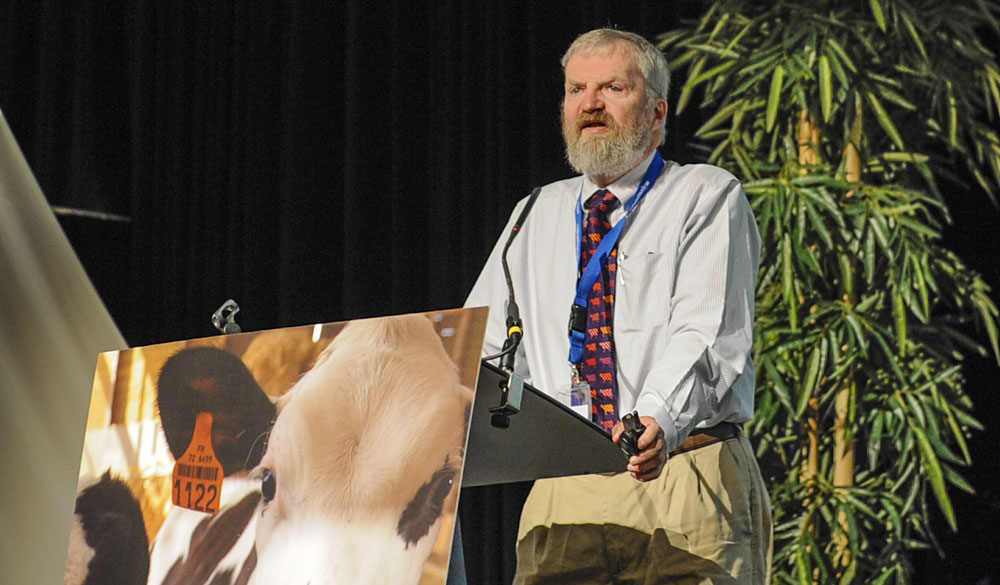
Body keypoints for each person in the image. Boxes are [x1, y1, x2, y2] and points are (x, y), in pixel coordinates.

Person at [465, 28, 772, 584]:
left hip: (683, 473)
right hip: (564, 485)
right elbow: (482, 351)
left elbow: (705, 335)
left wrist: (658, 418)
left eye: (612, 87)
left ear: (657, 112)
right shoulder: (533, 213)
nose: (590, 103)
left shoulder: (705, 195)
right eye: (576, 89)